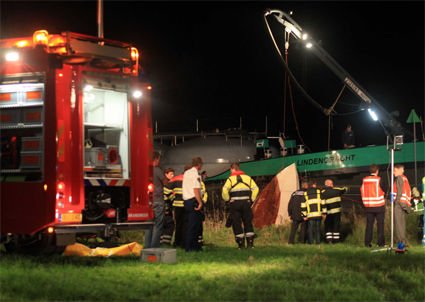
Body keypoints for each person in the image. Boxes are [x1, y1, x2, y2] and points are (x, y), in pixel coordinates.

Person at [222, 163, 259, 249]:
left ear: (232, 169)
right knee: (248, 222)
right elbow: (256, 188)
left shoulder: (230, 179)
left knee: (236, 223)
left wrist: (227, 200)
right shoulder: (248, 178)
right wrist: (252, 199)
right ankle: (250, 244)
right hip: (246, 203)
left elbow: (224, 190)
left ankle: (241, 245)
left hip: (235, 204)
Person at [360, 164, 386, 247]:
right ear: (377, 171)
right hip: (379, 205)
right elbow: (384, 189)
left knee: (369, 225)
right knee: (380, 225)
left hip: (368, 206)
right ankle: (380, 243)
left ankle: (367, 243)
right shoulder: (379, 179)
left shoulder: (364, 180)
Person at [182, 157, 204, 252]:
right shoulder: (195, 175)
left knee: (190, 224)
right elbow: (196, 189)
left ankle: (192, 246)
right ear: (199, 165)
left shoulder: (187, 173)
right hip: (193, 201)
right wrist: (200, 202)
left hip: (186, 201)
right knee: (194, 225)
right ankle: (191, 247)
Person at [144, 152, 164, 248]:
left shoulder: (145, 170)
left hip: (148, 202)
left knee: (148, 225)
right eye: (158, 159)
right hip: (158, 200)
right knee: (158, 224)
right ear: (156, 159)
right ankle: (154, 247)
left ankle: (147, 246)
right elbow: (165, 182)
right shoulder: (157, 170)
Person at [321, 179, 347, 243]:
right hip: (337, 212)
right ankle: (336, 241)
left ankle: (329, 240)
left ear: (325, 184)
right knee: (336, 225)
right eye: (332, 183)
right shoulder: (337, 190)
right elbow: (345, 189)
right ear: (330, 184)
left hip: (328, 212)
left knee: (328, 225)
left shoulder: (322, 192)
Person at [393, 164, 412, 247]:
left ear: (400, 170)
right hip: (404, 204)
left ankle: (400, 243)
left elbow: (400, 192)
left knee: (398, 225)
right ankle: (403, 242)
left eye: (395, 170)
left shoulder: (399, 178)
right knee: (402, 224)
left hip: (399, 204)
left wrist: (396, 201)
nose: (393, 173)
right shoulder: (405, 178)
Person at [161, 168, 175, 245]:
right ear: (166, 174)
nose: (172, 176)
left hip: (163, 206)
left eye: (173, 174)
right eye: (171, 174)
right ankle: (166, 242)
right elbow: (169, 195)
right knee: (169, 224)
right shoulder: (167, 183)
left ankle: (162, 241)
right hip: (166, 205)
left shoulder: (165, 182)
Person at [198, 171, 208, 246]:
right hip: (197, 204)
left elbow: (205, 193)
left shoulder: (202, 184)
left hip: (200, 204)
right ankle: (198, 240)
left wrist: (204, 201)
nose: (206, 177)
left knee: (200, 223)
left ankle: (200, 239)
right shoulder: (199, 183)